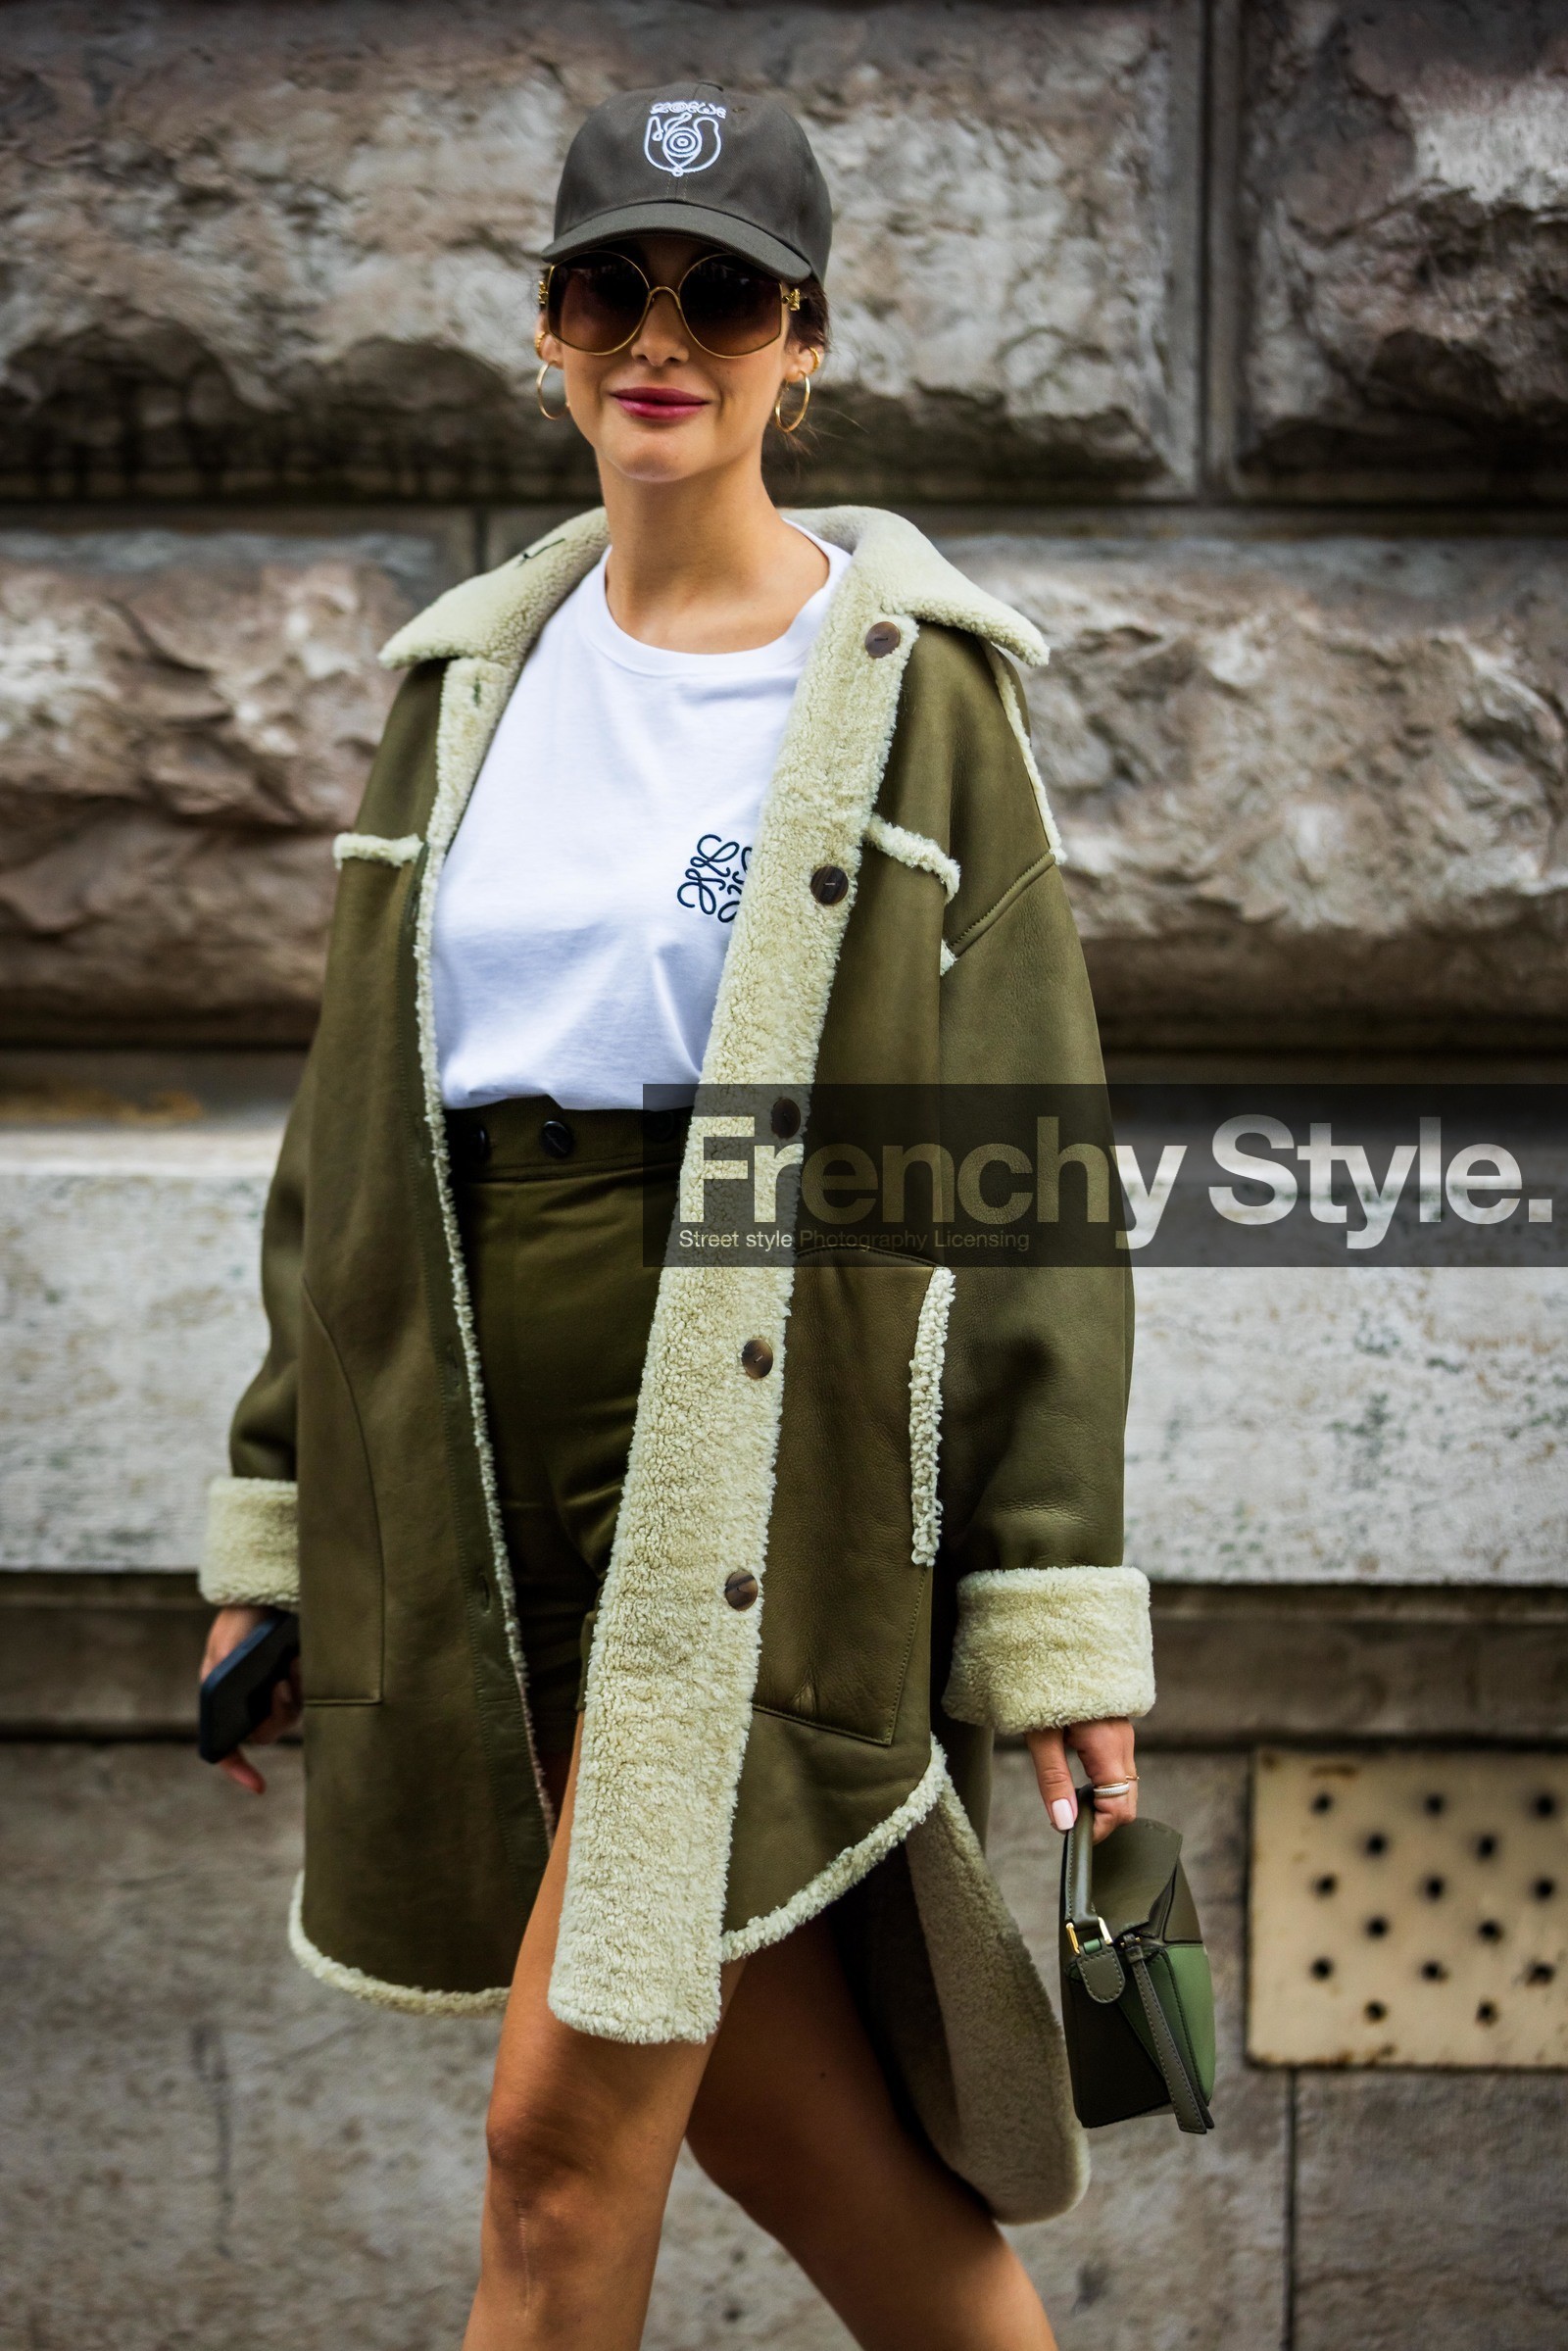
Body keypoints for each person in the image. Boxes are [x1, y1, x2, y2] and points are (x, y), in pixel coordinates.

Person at [198, 80, 1152, 2351]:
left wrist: (1051, 1615)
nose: (662, 334)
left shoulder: (912, 692)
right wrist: (277, 1517)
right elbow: (349, 1146)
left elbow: (1011, 1160)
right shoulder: (463, 688)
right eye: (608, 286)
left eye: (719, 292)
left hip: (743, 1444)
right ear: (539, 330)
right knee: (784, 2127)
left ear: (802, 340)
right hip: (470, 1457)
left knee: (555, 2144)